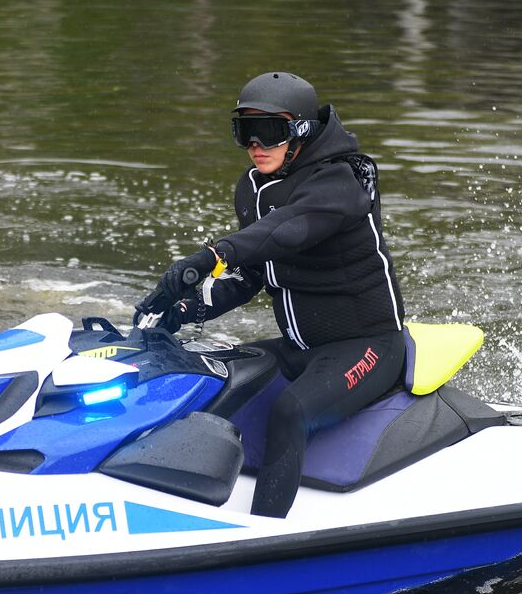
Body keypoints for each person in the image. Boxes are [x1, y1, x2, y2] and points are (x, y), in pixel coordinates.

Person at [135, 71, 406, 519]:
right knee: (206, 380)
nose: (256, 145)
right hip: (301, 349)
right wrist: (181, 308)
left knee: (289, 412)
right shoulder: (253, 188)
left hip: (368, 346)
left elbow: (283, 231)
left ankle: (262, 532)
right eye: (245, 131)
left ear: (300, 131)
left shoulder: (339, 183)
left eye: (270, 131)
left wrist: (207, 256)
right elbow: (248, 277)